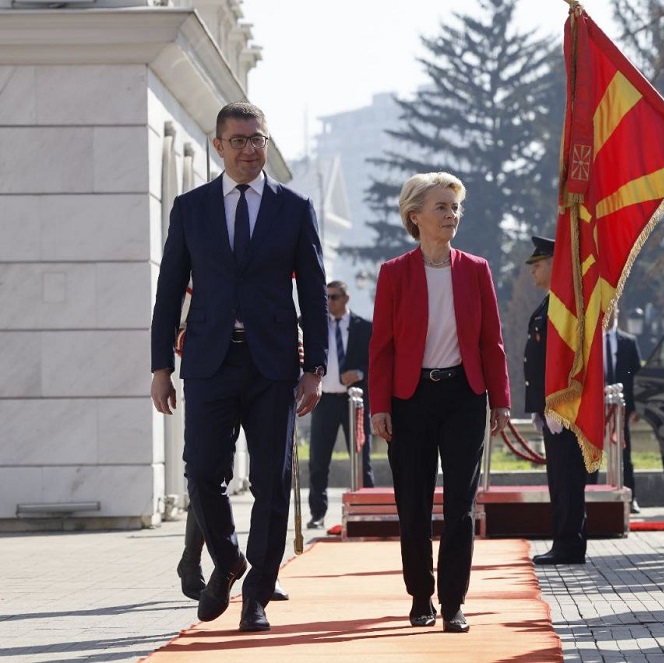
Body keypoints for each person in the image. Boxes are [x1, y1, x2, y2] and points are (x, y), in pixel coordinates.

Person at [150, 102, 328, 632]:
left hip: (273, 365)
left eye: (259, 140)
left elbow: (314, 293)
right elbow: (167, 294)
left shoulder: (293, 208)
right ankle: (229, 560)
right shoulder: (191, 208)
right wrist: (161, 366)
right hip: (209, 361)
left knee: (272, 483)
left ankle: (255, 596)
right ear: (218, 145)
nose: (251, 149)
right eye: (241, 140)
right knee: (202, 470)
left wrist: (315, 366)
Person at [368, 172, 511, 634]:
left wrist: (500, 400)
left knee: (460, 506)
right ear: (416, 216)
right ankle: (420, 596)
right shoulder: (394, 273)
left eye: (455, 207)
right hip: (409, 399)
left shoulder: (476, 269)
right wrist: (379, 405)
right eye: (442, 207)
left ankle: (453, 603)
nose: (452, 215)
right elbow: (382, 347)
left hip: (464, 396)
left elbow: (492, 341)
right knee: (413, 503)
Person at [524, 236, 589, 566]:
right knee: (560, 479)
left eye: (538, 264)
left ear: (555, 263)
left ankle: (569, 543)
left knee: (567, 479)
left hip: (563, 409)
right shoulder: (552, 303)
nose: (533, 271)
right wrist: (538, 405)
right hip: (552, 407)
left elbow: (563, 357)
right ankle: (564, 540)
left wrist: (557, 403)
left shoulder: (564, 305)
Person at [307, 280, 374, 530]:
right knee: (318, 460)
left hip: (353, 402)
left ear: (346, 298)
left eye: (334, 297)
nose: (329, 302)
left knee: (361, 458)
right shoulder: (313, 326)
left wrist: (359, 372)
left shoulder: (364, 328)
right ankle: (317, 513)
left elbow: (377, 362)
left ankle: (367, 508)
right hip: (324, 401)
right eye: (326, 297)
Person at [586, 308, 643, 513]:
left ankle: (631, 498)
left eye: (612, 310)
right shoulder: (590, 341)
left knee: (624, 454)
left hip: (620, 408)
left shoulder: (628, 342)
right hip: (595, 408)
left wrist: (635, 408)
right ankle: (588, 493)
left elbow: (636, 376)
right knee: (592, 453)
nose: (608, 316)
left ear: (618, 312)